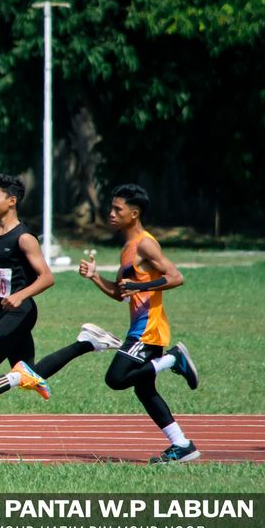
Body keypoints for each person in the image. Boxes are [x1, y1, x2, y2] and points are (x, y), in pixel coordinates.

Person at [0, 174, 120, 458]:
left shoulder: (24, 238)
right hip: (4, 313)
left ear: (11, 201)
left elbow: (47, 277)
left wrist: (20, 295)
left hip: (22, 313)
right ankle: (87, 342)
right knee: (32, 372)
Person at [79, 184, 200, 463]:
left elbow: (175, 277)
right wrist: (95, 277)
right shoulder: (127, 249)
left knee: (116, 378)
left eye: (117, 209)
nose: (111, 213)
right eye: (111, 208)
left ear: (134, 214)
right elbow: (121, 294)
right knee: (145, 390)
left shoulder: (145, 243)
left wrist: (140, 284)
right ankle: (181, 445)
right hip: (139, 328)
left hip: (149, 330)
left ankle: (174, 359)